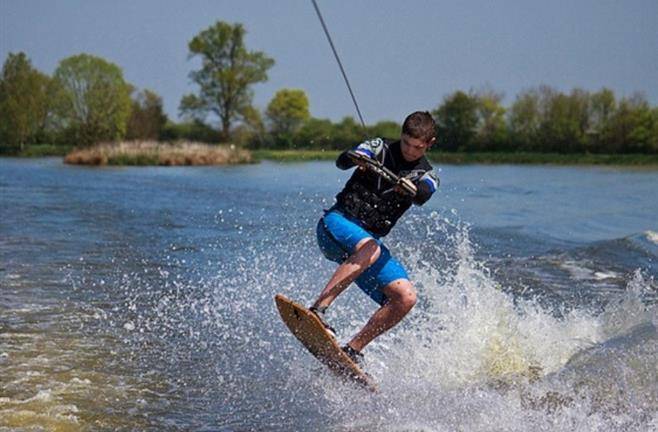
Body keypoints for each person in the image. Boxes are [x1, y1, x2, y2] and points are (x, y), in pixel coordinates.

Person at [311, 111, 439, 364]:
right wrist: (356, 158)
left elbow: (424, 194)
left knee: (405, 297)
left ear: (429, 144)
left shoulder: (428, 175)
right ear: (400, 136)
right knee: (372, 248)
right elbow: (342, 161)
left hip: (367, 248)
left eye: (417, 147)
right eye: (406, 143)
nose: (410, 151)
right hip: (336, 225)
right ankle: (318, 310)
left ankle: (352, 350)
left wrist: (411, 189)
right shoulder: (378, 147)